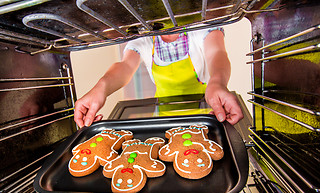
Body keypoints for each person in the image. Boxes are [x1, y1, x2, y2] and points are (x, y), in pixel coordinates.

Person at [74, 27, 244, 128]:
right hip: (165, 118)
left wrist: (218, 82)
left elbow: (217, 53)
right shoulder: (144, 38)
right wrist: (101, 87)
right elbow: (125, 66)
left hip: (208, 113)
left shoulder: (199, 27)